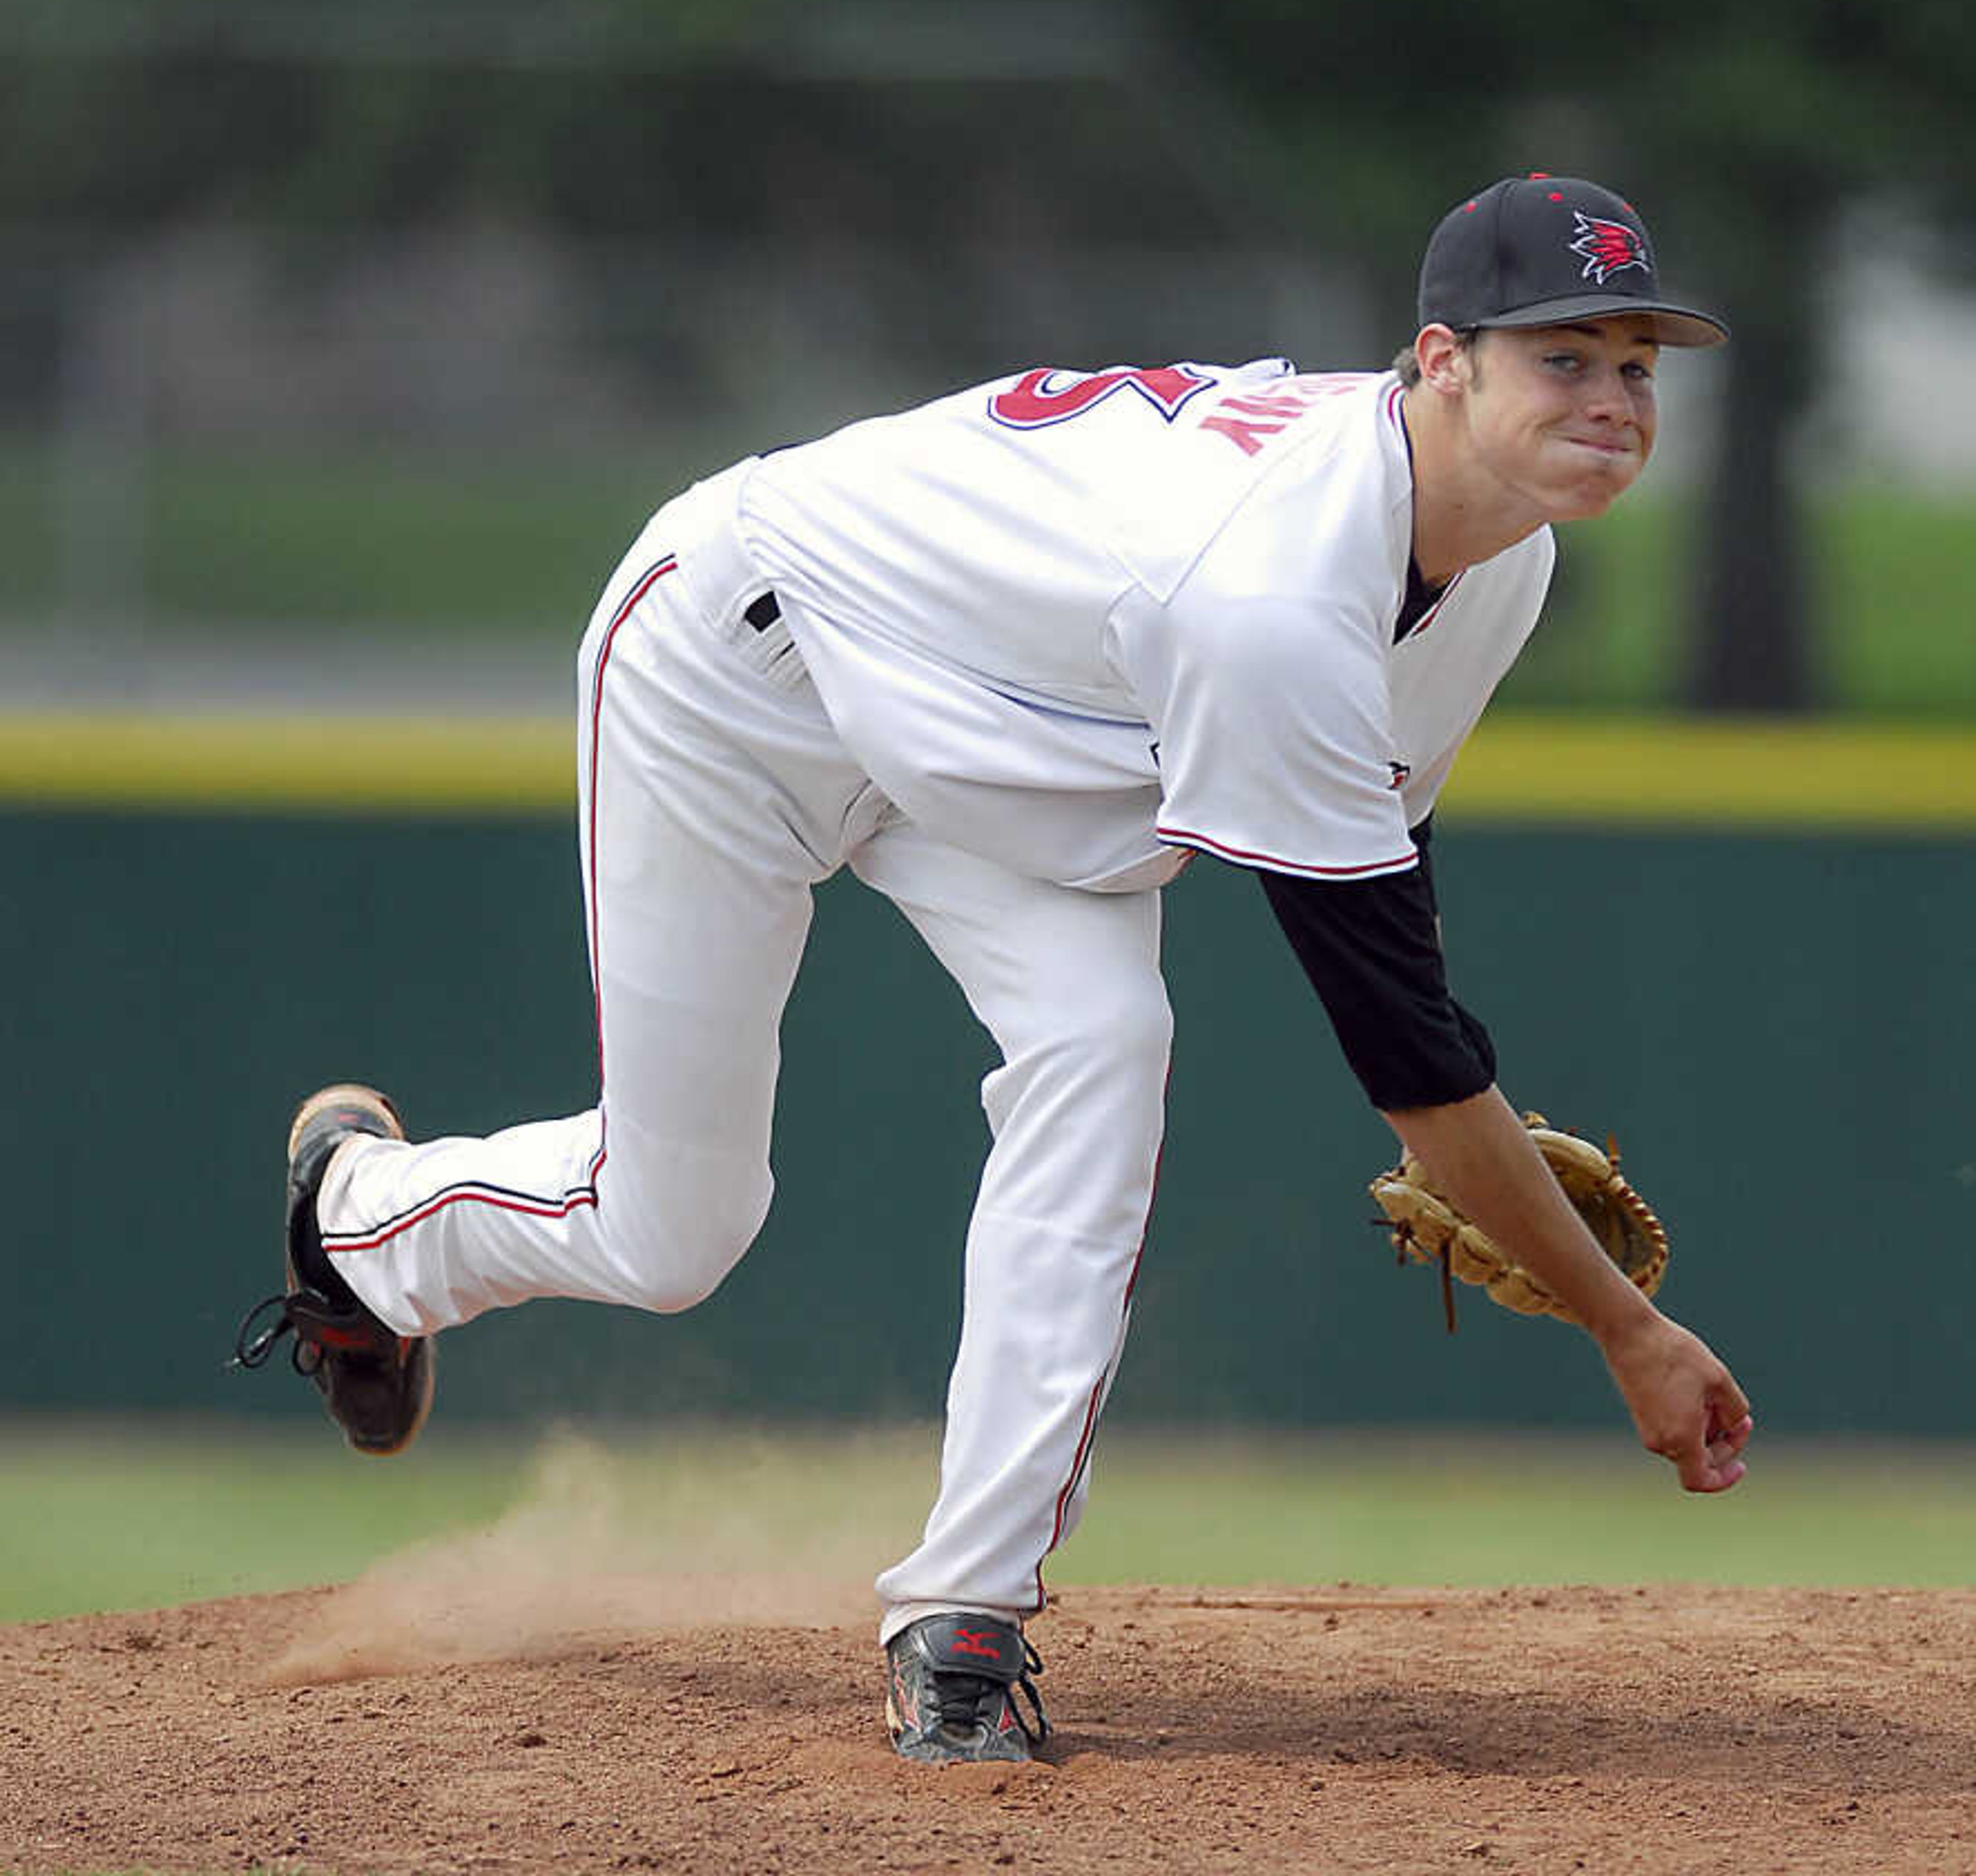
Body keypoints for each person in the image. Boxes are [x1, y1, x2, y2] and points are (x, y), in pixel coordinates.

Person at [235, 169, 1753, 1766]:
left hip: (994, 728)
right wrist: (1625, 1328)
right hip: (738, 664)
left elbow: (1390, 888)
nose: (1611, 397)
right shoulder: (1275, 590)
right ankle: (357, 1221)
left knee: (1105, 1043)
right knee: (677, 1220)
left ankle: (963, 1615)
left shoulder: (1502, 555)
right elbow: (1409, 1051)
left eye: (1637, 363)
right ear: (1440, 362)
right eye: (1560, 358)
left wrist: (1453, 1104)